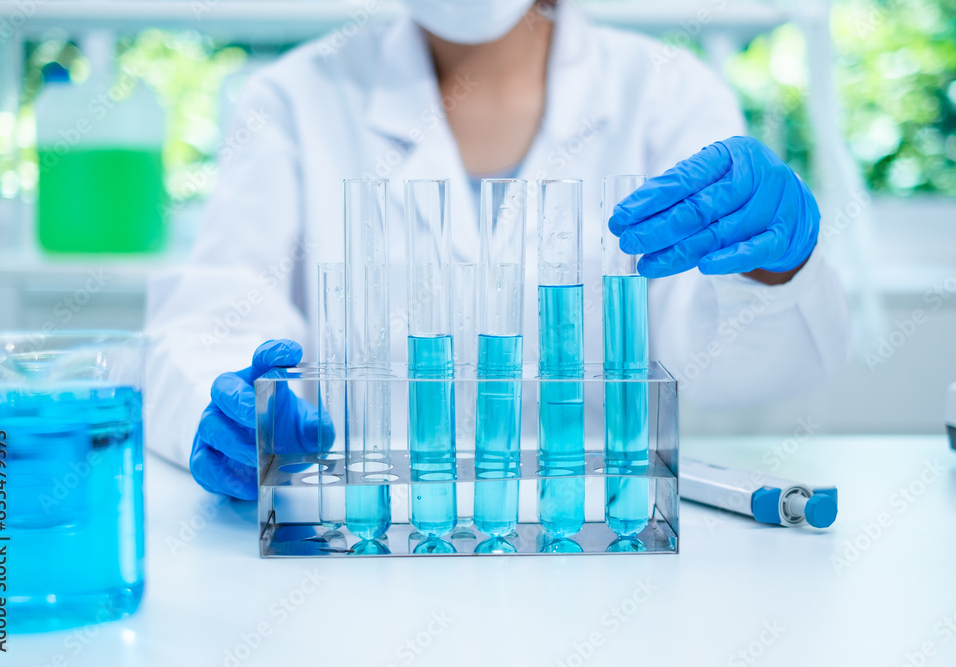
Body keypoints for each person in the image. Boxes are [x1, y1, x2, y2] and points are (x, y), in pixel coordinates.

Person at [145, 0, 850, 499]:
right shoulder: (293, 99)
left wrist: (772, 266)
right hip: (363, 546)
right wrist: (227, 411)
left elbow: (728, 369)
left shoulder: (668, 94)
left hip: (596, 545)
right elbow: (217, 315)